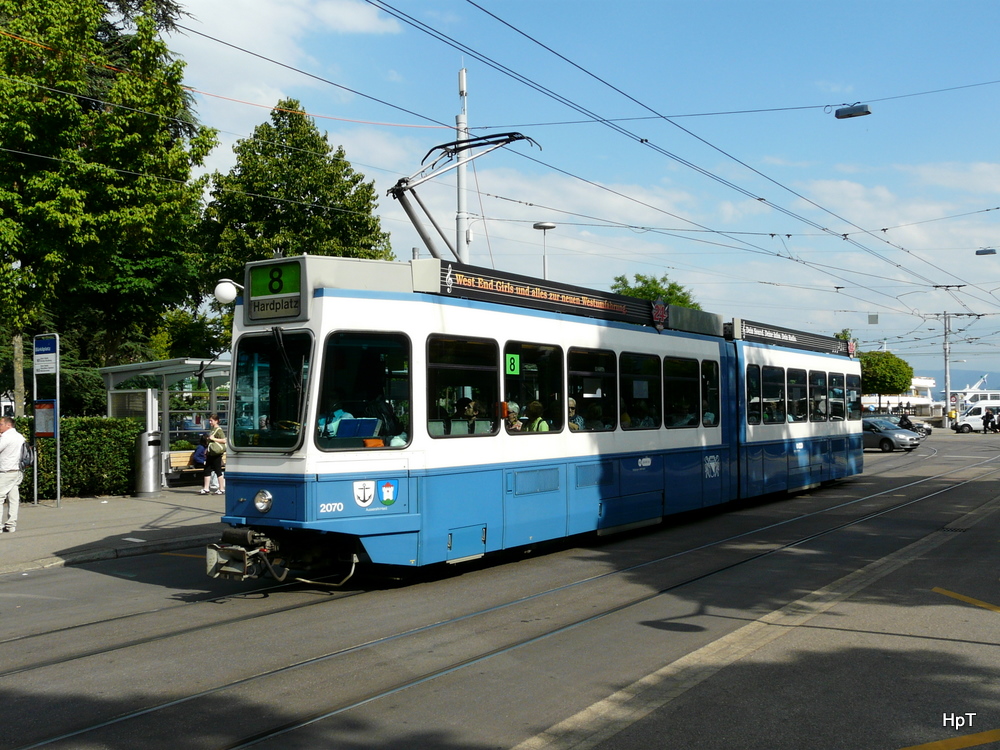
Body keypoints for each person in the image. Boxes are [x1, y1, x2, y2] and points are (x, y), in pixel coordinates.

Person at [0, 416, 26, 532]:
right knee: (13, 498)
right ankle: (11, 524)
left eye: (1, 424)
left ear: (8, 425)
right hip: (17, 471)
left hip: (5, 471)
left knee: (0, 498)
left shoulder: (6, 437)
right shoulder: (20, 437)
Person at [200, 414, 226, 496]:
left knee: (218, 470)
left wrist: (213, 439)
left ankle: (221, 488)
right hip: (211, 453)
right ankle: (206, 488)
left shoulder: (219, 430)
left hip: (216, 453)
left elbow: (224, 440)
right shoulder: (212, 429)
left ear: (216, 421)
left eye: (211, 420)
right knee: (207, 469)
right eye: (210, 420)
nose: (210, 422)